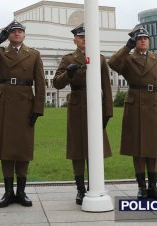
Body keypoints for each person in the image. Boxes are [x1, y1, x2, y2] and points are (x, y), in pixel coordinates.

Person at [0, 20, 45, 208]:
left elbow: (40, 83)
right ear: (8, 34)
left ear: (24, 35)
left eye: (20, 31)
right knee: (5, 148)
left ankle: (21, 192)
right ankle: (8, 192)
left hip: (25, 102)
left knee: (23, 148)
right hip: (4, 101)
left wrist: (38, 109)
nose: (16, 34)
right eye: (13, 31)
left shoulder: (34, 54)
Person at [108, 26, 157, 200]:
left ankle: (153, 186)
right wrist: (127, 47)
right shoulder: (128, 59)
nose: (143, 40)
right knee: (137, 148)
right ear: (135, 42)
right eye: (139, 38)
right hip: (135, 105)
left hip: (153, 105)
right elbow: (112, 63)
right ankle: (141, 188)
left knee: (153, 148)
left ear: (149, 41)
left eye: (145, 38)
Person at [53, 24, 113, 205]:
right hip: (77, 104)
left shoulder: (100, 58)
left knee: (95, 147)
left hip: (96, 104)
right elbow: (57, 83)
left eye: (87, 36)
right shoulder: (68, 58)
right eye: (81, 37)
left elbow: (107, 87)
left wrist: (108, 111)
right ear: (75, 40)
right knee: (78, 148)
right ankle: (80, 189)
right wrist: (68, 73)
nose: (85, 39)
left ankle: (95, 185)